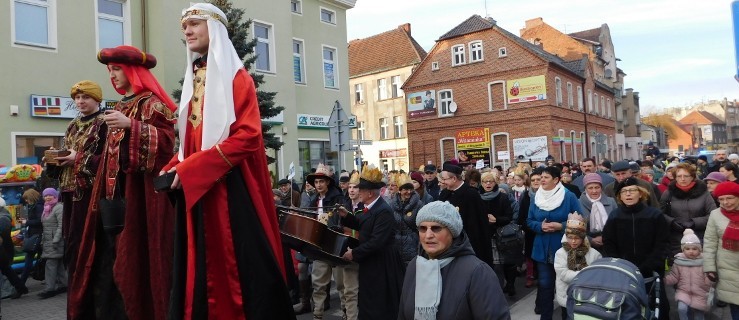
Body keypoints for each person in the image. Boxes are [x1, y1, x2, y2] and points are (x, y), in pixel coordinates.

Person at [163, 4, 294, 319]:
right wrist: (174, 164)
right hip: (199, 188)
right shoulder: (195, 78)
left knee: (236, 267)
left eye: (194, 24)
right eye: (184, 26)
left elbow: (248, 137)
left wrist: (193, 168)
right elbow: (192, 141)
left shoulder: (238, 78)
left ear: (215, 29)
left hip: (229, 187)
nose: (187, 31)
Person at [68, 45, 177, 320]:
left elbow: (167, 145)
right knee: (106, 260)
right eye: (110, 70)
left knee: (136, 259)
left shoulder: (152, 103)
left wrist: (132, 126)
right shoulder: (121, 105)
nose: (112, 75)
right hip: (112, 201)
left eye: (116, 69)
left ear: (132, 71)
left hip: (141, 199)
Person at [398, 201, 510, 320]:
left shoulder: (477, 272)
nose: (428, 235)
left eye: (436, 228)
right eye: (423, 228)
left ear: (453, 232)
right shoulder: (414, 265)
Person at [54, 80, 108, 282]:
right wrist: (55, 160)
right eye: (77, 98)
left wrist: (78, 158)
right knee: (72, 239)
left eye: (85, 97)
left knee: (88, 239)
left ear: (96, 99)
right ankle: (76, 280)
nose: (80, 101)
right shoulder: (72, 125)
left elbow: (110, 160)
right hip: (69, 190)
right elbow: (68, 150)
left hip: (91, 192)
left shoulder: (104, 123)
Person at [338, 165, 404, 319]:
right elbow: (362, 224)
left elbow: (377, 242)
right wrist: (346, 216)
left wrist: (353, 253)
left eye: (360, 190)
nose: (357, 192)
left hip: (383, 264)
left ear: (369, 193)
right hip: (372, 262)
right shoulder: (371, 207)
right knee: (369, 300)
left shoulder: (383, 211)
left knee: (380, 303)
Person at [602, 177, 670, 319]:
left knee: (658, 307)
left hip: (651, 271)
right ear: (619, 196)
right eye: (624, 191)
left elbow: (662, 243)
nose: (628, 194)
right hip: (623, 272)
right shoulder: (615, 215)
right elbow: (608, 242)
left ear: (640, 193)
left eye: (632, 190)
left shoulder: (654, 215)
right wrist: (620, 264)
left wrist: (649, 265)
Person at [527, 166, 583, 319]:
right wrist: (540, 226)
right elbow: (529, 220)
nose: (541, 180)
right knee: (545, 286)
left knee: (567, 286)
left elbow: (581, 219)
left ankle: (568, 316)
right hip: (542, 250)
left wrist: (561, 226)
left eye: (545, 177)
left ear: (556, 180)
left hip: (566, 248)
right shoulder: (536, 197)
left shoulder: (568, 196)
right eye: (540, 177)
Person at [438, 161, 493, 267]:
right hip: (448, 246)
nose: (442, 182)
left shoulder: (471, 194)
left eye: (444, 179)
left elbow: (479, 225)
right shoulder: (445, 194)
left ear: (454, 179)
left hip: (469, 246)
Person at [306, 164, 343, 319]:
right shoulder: (313, 201)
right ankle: (318, 314)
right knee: (319, 284)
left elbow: (341, 221)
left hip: (336, 245)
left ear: (328, 182)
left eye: (322, 181)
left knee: (342, 285)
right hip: (320, 246)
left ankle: (346, 314)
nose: (319, 185)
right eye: (316, 182)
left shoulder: (338, 198)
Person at [660, 163, 716, 258]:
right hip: (675, 239)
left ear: (692, 177)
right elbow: (660, 213)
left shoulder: (704, 193)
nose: (682, 179)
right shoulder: (668, 193)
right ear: (675, 178)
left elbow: (713, 214)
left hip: (700, 238)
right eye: (679, 176)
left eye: (686, 176)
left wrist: (694, 222)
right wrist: (672, 222)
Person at [554, 212, 602, 319]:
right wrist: (585, 274)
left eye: (577, 238)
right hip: (566, 295)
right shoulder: (560, 253)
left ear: (583, 237)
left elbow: (598, 274)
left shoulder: (594, 254)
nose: (574, 241)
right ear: (566, 236)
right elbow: (564, 274)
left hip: (587, 296)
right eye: (570, 237)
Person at [480, 171, 520, 297]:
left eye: (490, 181)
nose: (487, 184)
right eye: (485, 181)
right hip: (486, 235)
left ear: (495, 182)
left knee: (507, 263)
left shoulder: (502, 197)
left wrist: (496, 219)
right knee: (495, 265)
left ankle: (510, 284)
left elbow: (508, 216)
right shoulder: (477, 197)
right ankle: (497, 290)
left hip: (503, 234)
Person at [703, 181, 739, 319]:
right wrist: (710, 268)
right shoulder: (715, 215)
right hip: (727, 269)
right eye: (721, 199)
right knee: (736, 307)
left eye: (729, 198)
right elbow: (710, 242)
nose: (725, 202)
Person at [664, 229, 713, 320]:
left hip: (700, 292)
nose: (691, 251)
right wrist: (666, 280)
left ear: (699, 249)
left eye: (694, 249)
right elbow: (674, 276)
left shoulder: (703, 262)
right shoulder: (679, 262)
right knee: (681, 308)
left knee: (699, 315)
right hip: (684, 291)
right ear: (683, 250)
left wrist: (711, 278)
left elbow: (708, 278)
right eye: (687, 249)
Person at [38, 188, 66, 299]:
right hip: (48, 241)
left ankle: (49, 289)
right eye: (45, 195)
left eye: (50, 195)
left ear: (55, 196)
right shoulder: (46, 208)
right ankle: (64, 285)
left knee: (50, 265)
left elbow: (61, 225)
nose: (48, 197)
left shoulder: (58, 207)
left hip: (55, 241)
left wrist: (56, 239)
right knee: (58, 265)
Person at [390, 173, 423, 267]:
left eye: (410, 189)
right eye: (405, 189)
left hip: (412, 245)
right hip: (396, 245)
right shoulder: (392, 205)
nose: (408, 192)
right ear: (399, 191)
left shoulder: (419, 205)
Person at [578, 173, 617, 251]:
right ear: (585, 189)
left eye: (597, 187)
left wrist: (606, 237)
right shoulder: (578, 203)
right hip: (585, 247)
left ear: (601, 188)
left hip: (609, 244)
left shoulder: (611, 201)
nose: (594, 191)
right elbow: (575, 229)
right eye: (590, 188)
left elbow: (617, 223)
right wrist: (590, 240)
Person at [0, 198, 29, 299]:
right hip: (5, 248)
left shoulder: (3, 217)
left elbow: (21, 223)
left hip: (3, 249)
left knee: (7, 271)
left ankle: (14, 289)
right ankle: (21, 288)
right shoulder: (7, 214)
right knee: (7, 271)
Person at [517, 169, 540, 288]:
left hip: (543, 230)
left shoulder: (547, 195)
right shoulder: (526, 195)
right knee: (529, 254)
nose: (536, 182)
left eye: (538, 179)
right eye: (533, 180)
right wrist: (526, 226)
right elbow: (521, 215)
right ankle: (530, 276)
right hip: (530, 230)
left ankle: (540, 274)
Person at [19, 189, 43, 286]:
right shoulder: (35, 206)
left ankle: (21, 284)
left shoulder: (38, 206)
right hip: (35, 235)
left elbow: (40, 221)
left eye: (27, 199)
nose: (26, 201)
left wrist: (27, 222)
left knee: (29, 260)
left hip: (36, 236)